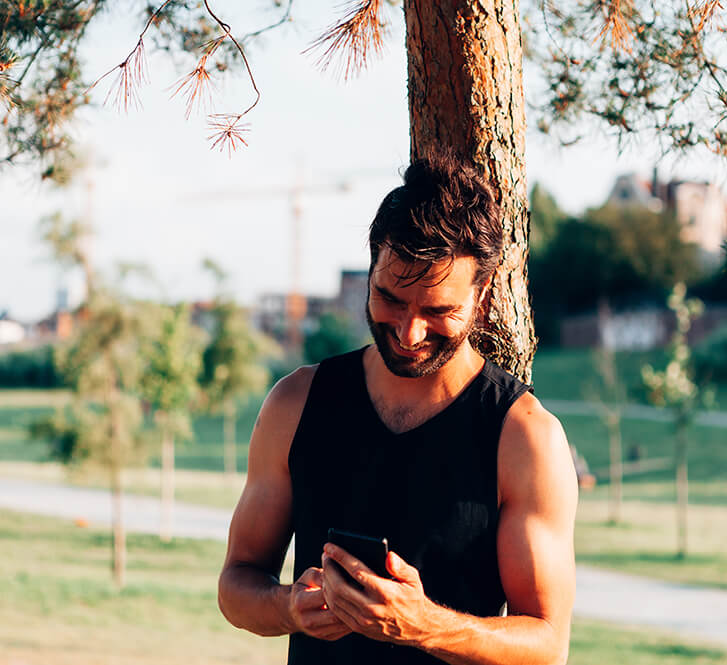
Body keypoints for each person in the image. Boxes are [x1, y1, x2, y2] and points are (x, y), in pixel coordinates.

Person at [218, 154, 578, 665]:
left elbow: (548, 646)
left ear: (483, 297)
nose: (410, 333)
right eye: (390, 298)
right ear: (370, 272)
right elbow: (236, 583)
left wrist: (424, 625)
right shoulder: (295, 404)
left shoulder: (523, 436)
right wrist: (289, 608)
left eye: (439, 310)